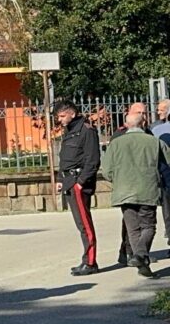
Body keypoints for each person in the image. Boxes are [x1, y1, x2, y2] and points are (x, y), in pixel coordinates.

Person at [102, 112, 170, 278]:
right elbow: (167, 162)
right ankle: (140, 255)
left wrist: (118, 179)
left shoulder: (115, 143)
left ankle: (141, 262)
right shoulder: (154, 141)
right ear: (144, 123)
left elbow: (106, 171)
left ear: (126, 125)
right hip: (147, 190)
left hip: (123, 191)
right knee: (148, 226)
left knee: (133, 229)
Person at [54, 100, 102, 275]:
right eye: (58, 117)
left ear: (72, 114)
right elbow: (66, 158)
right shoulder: (70, 130)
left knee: (85, 225)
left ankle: (90, 262)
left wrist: (80, 182)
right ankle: (87, 260)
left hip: (78, 183)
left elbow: (93, 160)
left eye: (62, 116)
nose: (60, 120)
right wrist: (60, 178)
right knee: (80, 224)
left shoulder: (86, 131)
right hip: (69, 181)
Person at [150, 98, 170, 247]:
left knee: (168, 210)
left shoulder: (156, 130)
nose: (158, 112)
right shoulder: (155, 128)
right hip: (164, 176)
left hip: (165, 175)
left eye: (162, 110)